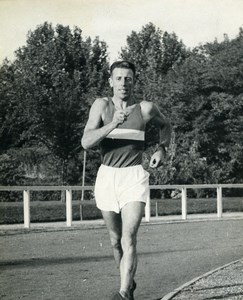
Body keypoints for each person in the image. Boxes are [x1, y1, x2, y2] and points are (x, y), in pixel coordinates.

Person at [81, 61, 171, 300]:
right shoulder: (101, 105)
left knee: (128, 236)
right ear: (111, 81)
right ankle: (129, 286)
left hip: (133, 175)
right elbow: (86, 142)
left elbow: (166, 126)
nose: (123, 83)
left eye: (128, 79)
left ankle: (121, 293)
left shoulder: (145, 109)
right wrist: (112, 124)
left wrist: (161, 149)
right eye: (119, 78)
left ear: (134, 81)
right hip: (107, 176)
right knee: (114, 241)